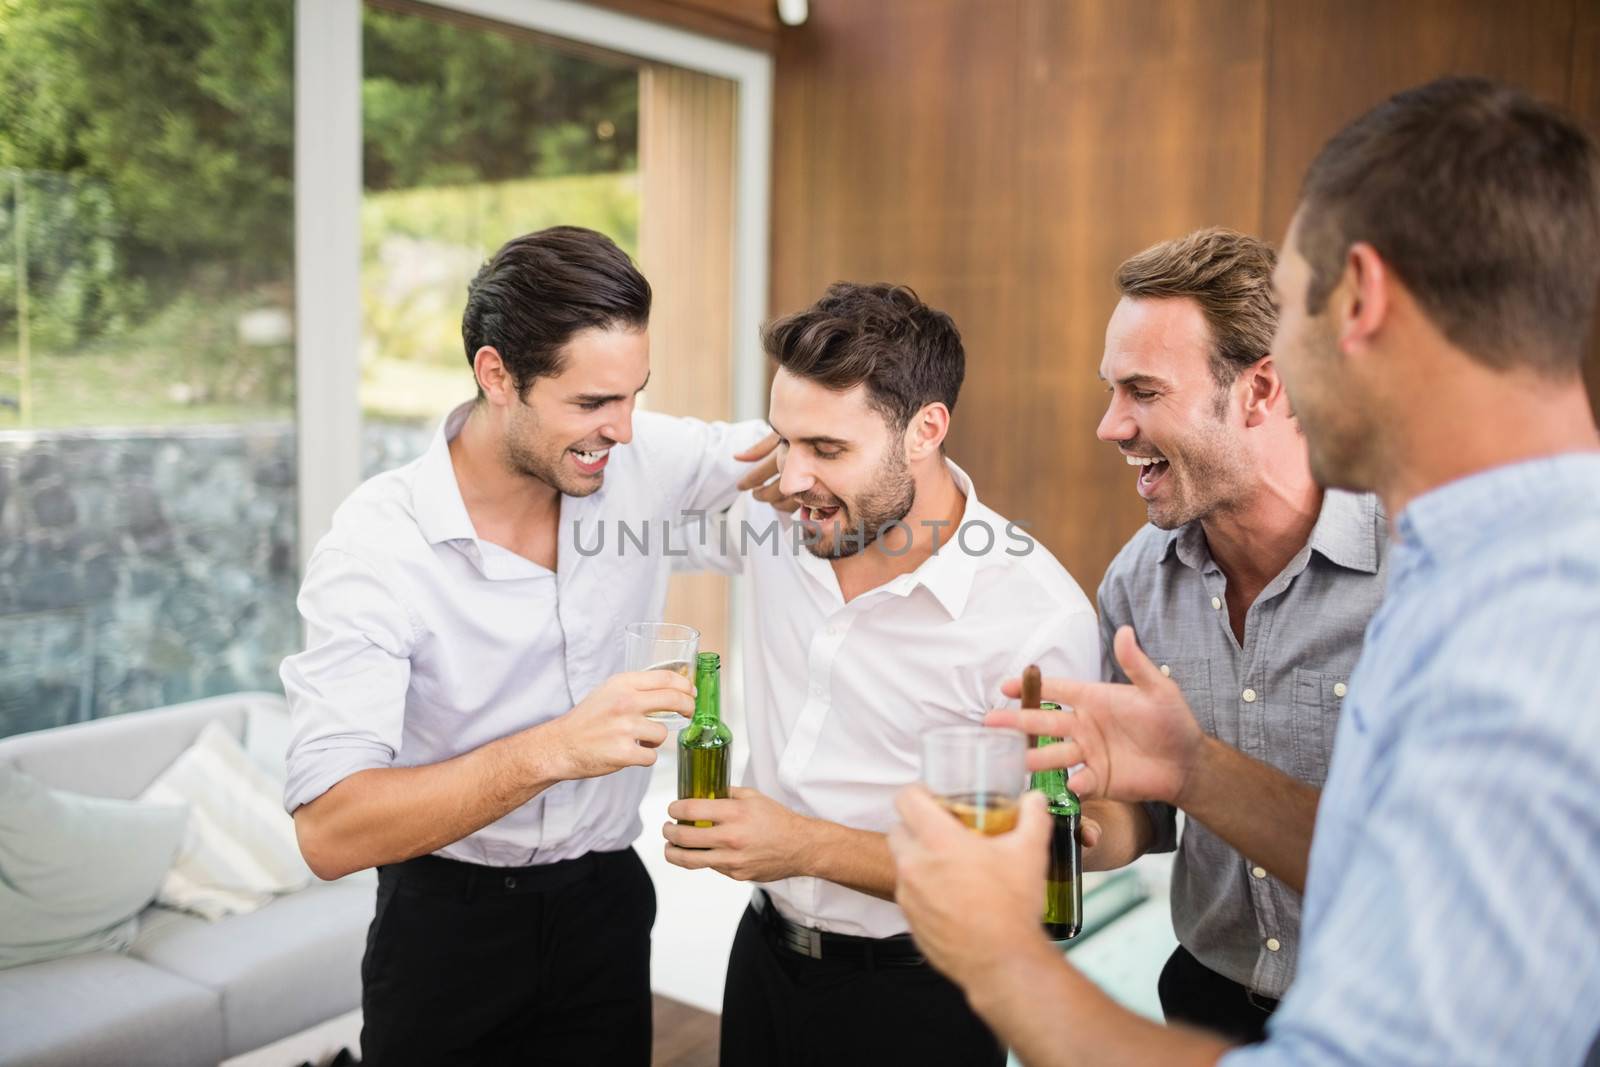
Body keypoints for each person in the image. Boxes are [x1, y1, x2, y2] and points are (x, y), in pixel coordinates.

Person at [889, 76, 1600, 1065]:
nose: (1110, 425)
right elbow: (1393, 865)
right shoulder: (1475, 566)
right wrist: (1185, 771)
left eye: (1298, 313)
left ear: (1357, 298)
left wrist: (999, 958)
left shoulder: (1525, 624)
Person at [279, 226, 774, 1066]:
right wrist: (556, 748)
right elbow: (330, 830)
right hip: (446, 926)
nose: (620, 430)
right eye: (590, 404)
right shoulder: (376, 547)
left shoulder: (635, 455)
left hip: (606, 904)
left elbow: (798, 447)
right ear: (496, 374)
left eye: (632, 397)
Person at [663, 282, 1099, 1066]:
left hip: (923, 1001)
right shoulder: (778, 517)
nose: (793, 478)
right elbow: (629, 474)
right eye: (782, 440)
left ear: (926, 430)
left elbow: (1017, 874)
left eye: (827, 450)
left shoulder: (1035, 619)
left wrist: (803, 844)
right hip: (762, 961)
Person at [1089, 226, 1388, 1041]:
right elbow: (1144, 821)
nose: (1111, 425)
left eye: (1143, 392)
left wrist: (1192, 767)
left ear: (1262, 389)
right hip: (1207, 1001)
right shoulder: (1136, 582)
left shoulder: (1418, 575)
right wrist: (1080, 824)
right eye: (1113, 391)